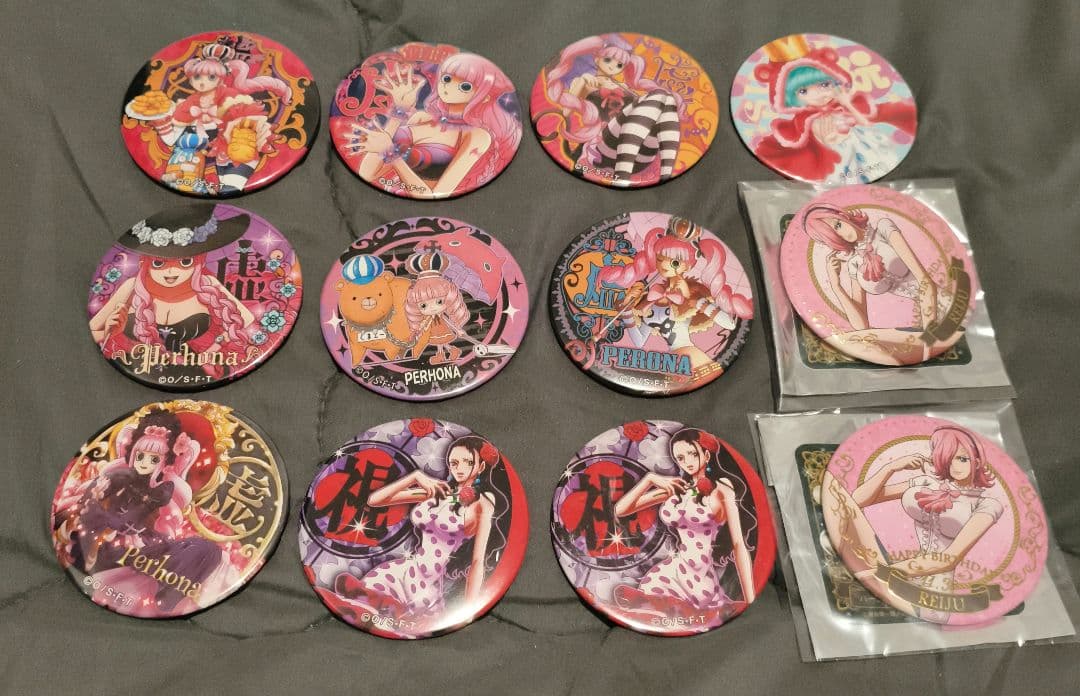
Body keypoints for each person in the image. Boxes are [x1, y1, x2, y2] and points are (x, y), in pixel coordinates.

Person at [332, 436, 508, 627]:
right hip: (400, 573)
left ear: (481, 467)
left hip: (426, 590)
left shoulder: (482, 505)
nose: (460, 468)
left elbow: (477, 562)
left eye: (468, 462)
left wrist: (469, 611)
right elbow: (375, 500)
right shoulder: (439, 491)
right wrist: (414, 477)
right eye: (454, 463)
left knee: (385, 620)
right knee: (359, 606)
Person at [611, 428, 757, 622]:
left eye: (692, 454)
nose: (687, 462)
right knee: (653, 600)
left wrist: (750, 600)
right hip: (672, 571)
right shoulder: (678, 488)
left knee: (682, 608)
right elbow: (620, 509)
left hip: (700, 578)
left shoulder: (722, 490)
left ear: (706, 455)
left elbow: (738, 544)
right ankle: (654, 604)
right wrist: (650, 479)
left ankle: (666, 606)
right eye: (680, 458)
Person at [338, 52, 521, 197]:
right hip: (379, 194)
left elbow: (435, 193)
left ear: (485, 96)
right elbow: (368, 173)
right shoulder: (421, 117)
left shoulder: (477, 136)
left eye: (465, 86)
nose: (448, 87)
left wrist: (391, 153)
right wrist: (398, 111)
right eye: (447, 78)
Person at [543, 34, 682, 185]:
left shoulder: (626, 87)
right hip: (603, 147)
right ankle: (659, 173)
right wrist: (581, 84)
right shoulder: (585, 81)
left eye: (619, 65)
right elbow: (565, 114)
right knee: (661, 96)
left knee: (667, 98)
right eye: (608, 60)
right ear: (597, 59)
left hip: (637, 152)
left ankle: (665, 173)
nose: (612, 66)